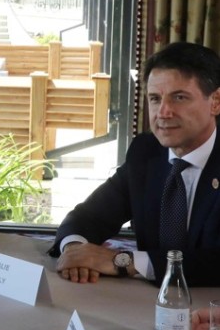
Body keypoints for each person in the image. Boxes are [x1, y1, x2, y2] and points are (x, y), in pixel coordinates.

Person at [51, 41, 220, 286]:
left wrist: (124, 261)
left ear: (215, 101)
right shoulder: (145, 152)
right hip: (145, 302)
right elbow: (87, 218)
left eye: (179, 97)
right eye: (155, 99)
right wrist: (76, 251)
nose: (163, 112)